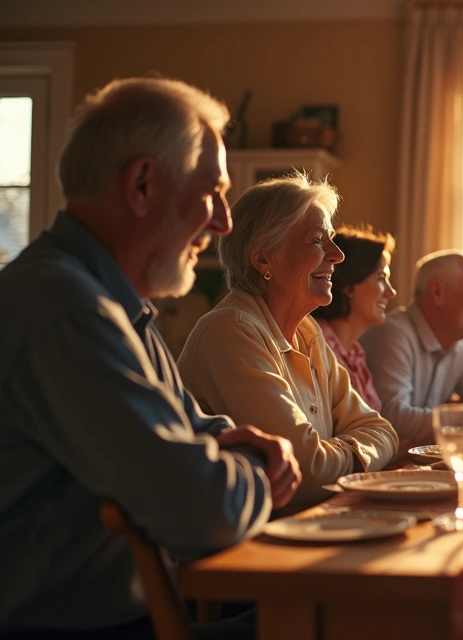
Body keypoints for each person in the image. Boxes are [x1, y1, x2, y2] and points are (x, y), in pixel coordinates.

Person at [0, 77, 300, 636]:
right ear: (141, 185)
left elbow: (194, 433)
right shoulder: (64, 308)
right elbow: (201, 510)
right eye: (212, 192)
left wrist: (230, 453)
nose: (223, 221)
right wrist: (261, 466)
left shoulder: (111, 301)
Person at [178, 173, 398, 511]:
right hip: (250, 548)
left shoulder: (308, 332)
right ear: (264, 259)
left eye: (333, 239)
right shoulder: (231, 333)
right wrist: (355, 455)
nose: (337, 255)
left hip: (308, 529)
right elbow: (307, 474)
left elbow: (381, 430)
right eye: (317, 241)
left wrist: (334, 455)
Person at [361, 250, 463, 447]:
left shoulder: (458, 346)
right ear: (437, 292)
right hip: (384, 471)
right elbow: (391, 416)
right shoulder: (392, 334)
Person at [310, 224, 397, 412]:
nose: (391, 292)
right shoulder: (316, 345)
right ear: (349, 285)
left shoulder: (354, 353)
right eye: (381, 278)